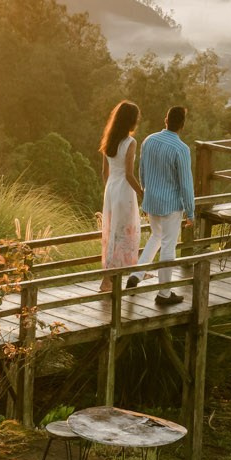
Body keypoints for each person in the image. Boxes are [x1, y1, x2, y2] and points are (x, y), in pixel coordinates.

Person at [135, 105, 195, 305]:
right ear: (182, 125)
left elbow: (142, 170)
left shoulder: (149, 141)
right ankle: (164, 294)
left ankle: (136, 274)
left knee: (157, 236)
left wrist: (146, 193)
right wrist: (190, 212)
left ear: (165, 119)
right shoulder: (181, 149)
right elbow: (186, 184)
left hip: (151, 201)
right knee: (169, 245)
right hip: (170, 205)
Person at [98, 99, 143, 294]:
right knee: (124, 232)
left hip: (111, 189)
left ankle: (109, 276)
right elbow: (129, 174)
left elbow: (103, 172)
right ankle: (110, 278)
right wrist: (142, 194)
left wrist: (109, 189)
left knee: (112, 232)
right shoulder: (130, 142)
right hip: (124, 190)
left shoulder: (109, 140)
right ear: (131, 121)